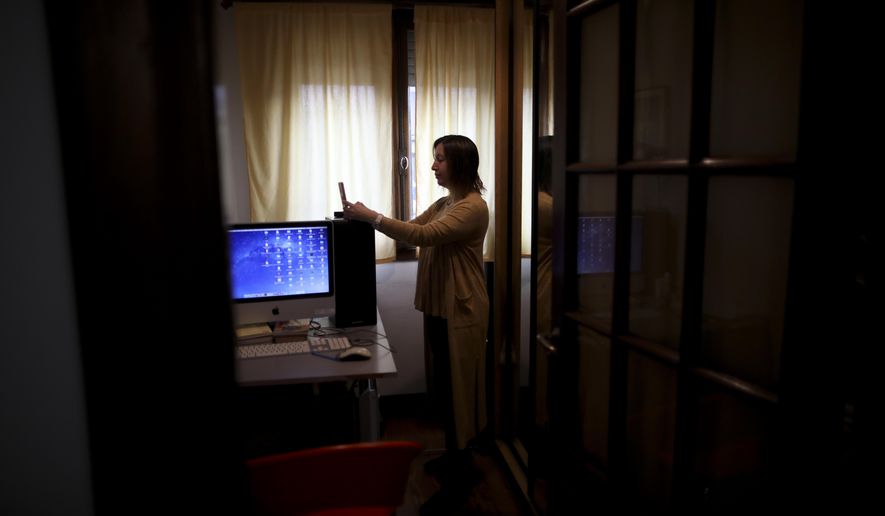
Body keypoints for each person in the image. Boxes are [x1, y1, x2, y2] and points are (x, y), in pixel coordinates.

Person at [342, 134, 489, 511]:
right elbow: (412, 226)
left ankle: (460, 480)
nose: (433, 165)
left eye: (439, 159)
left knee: (460, 388)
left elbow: (424, 235)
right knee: (445, 385)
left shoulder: (472, 207)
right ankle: (457, 458)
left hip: (463, 309)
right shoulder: (446, 202)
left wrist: (369, 216)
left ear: (459, 163)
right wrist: (366, 218)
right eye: (434, 158)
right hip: (443, 306)